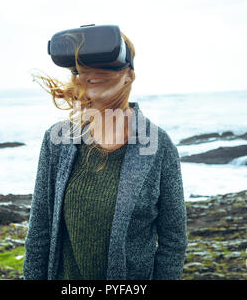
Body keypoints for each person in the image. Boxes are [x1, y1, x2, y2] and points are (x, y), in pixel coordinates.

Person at [23, 27, 188, 280]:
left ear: (129, 75)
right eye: (81, 68)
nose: (91, 74)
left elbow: (173, 242)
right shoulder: (57, 140)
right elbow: (39, 232)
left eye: (106, 65)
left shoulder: (158, 145)